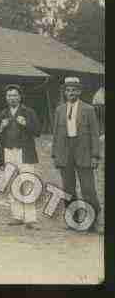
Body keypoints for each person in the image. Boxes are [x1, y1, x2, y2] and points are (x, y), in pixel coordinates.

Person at [52, 77, 101, 233]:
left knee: (88, 189)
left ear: (79, 91)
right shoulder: (59, 109)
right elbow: (56, 134)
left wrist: (95, 155)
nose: (71, 93)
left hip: (83, 151)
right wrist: (55, 154)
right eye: (68, 90)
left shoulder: (89, 109)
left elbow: (94, 134)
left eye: (74, 90)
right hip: (65, 152)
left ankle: (93, 222)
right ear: (65, 93)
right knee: (68, 189)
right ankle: (73, 221)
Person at [0, 84, 41, 230]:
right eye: (9, 96)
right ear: (6, 98)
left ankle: (30, 218)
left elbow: (37, 131)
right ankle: (17, 216)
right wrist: (1, 128)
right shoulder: (3, 113)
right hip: (8, 152)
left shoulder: (29, 112)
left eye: (15, 95)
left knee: (28, 182)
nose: (12, 98)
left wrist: (26, 124)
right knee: (12, 183)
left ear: (20, 97)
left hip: (25, 151)